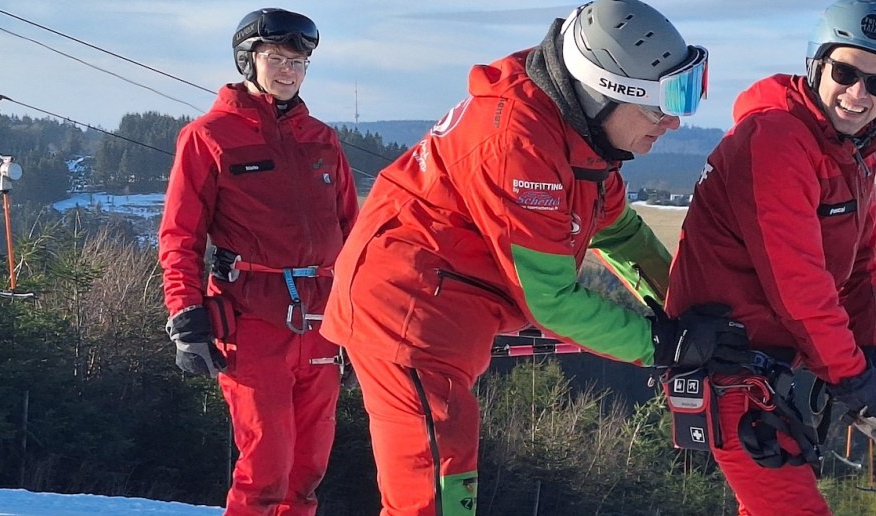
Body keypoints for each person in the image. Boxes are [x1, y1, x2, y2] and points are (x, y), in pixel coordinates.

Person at [319, 1, 708, 514]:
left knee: (446, 479)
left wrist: (690, 302)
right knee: (436, 492)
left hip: (449, 306)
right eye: (662, 104)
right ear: (606, 92)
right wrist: (664, 343)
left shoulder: (582, 135)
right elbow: (552, 302)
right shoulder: (518, 144)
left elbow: (620, 233)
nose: (675, 122)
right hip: (406, 313)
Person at [666, 1, 876, 514]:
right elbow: (799, 288)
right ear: (817, 65)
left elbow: (861, 268)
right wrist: (856, 382)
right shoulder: (776, 138)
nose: (859, 94)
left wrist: (873, 359)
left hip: (775, 365)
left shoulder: (856, 150)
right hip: (728, 362)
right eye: (845, 72)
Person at [158, 8, 356, 516]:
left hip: (324, 322)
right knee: (266, 468)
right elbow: (181, 234)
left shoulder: (321, 140)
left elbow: (355, 236)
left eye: (298, 61)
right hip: (252, 319)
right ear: (248, 60)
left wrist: (363, 320)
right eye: (276, 58)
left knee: (308, 470)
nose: (288, 70)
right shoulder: (210, 136)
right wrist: (186, 317)